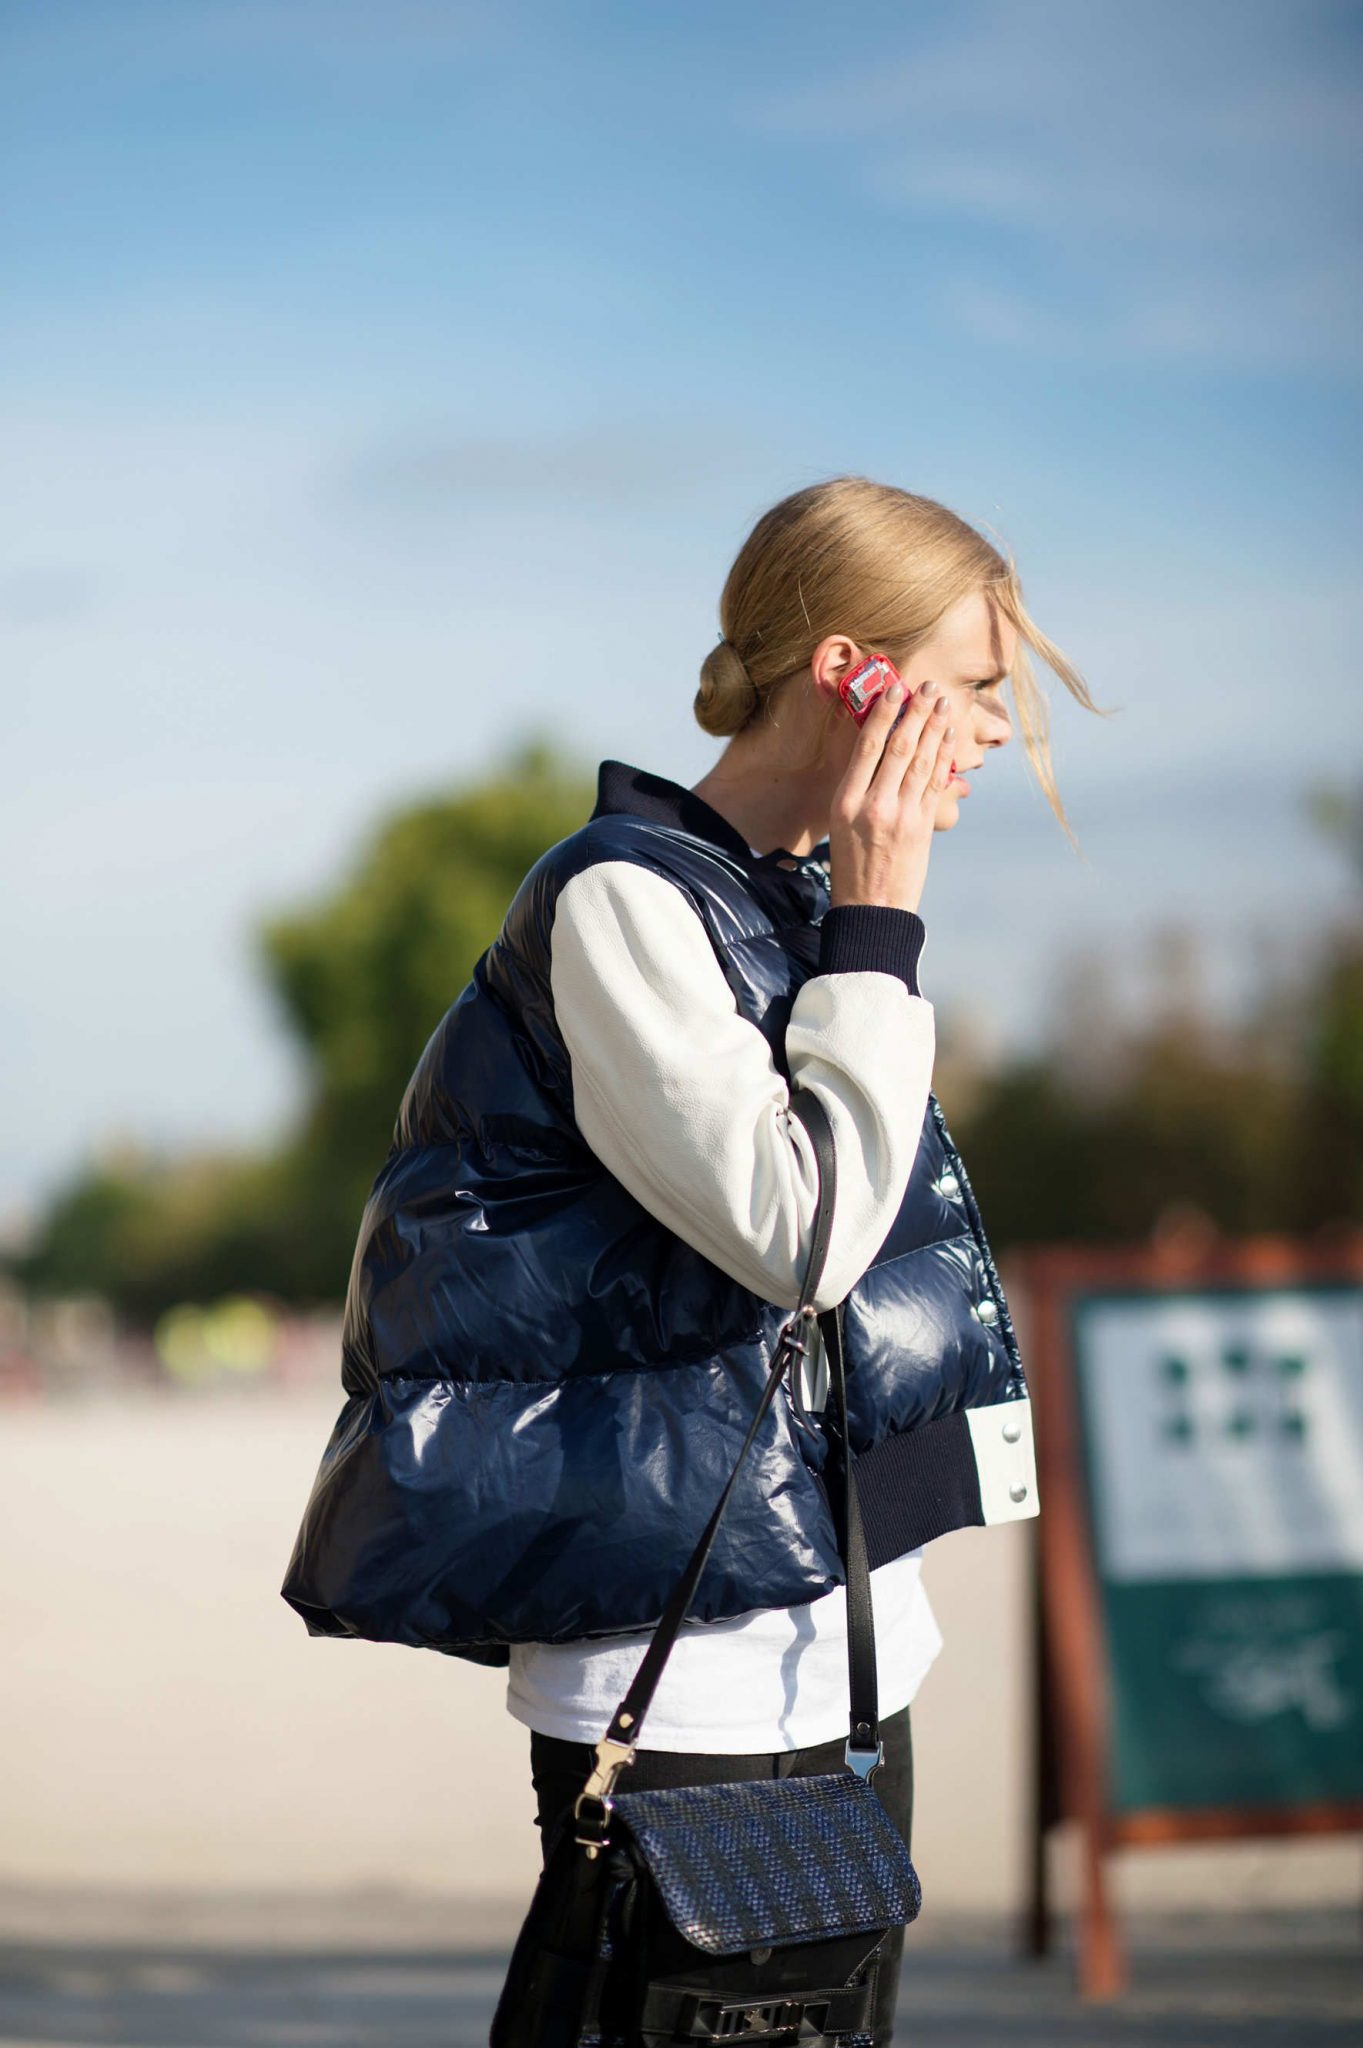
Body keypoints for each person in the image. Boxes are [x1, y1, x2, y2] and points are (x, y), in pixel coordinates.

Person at [281, 473, 1098, 2046]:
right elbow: (807, 1237)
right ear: (853, 672)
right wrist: (881, 916)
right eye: (977, 684)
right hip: (701, 1678)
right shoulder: (625, 903)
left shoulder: (781, 903)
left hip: (838, 1641)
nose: (996, 730)